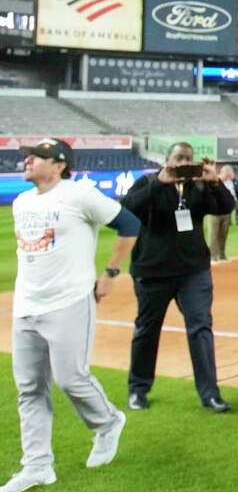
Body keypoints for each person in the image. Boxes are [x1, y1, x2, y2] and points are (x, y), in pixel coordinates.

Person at [1, 139, 141, 492]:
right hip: (27, 306)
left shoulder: (79, 194)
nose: (28, 160)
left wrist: (110, 274)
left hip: (69, 302)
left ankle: (108, 423)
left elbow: (129, 224)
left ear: (60, 164)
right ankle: (37, 466)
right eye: (27, 157)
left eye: (37, 157)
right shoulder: (22, 201)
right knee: (30, 388)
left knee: (70, 378)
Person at [121, 141, 235, 413]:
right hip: (153, 271)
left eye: (188, 158)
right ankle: (138, 389)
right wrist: (160, 183)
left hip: (193, 272)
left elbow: (226, 207)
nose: (183, 163)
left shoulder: (198, 186)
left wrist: (214, 182)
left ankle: (210, 394)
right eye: (178, 158)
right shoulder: (148, 182)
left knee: (201, 329)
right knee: (147, 331)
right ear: (167, 159)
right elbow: (127, 209)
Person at [207, 165, 237, 263]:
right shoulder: (214, 181)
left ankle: (222, 255)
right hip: (215, 213)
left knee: (223, 235)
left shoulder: (229, 183)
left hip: (226, 213)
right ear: (224, 173)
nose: (229, 176)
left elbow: (232, 196)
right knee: (213, 235)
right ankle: (212, 257)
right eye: (228, 174)